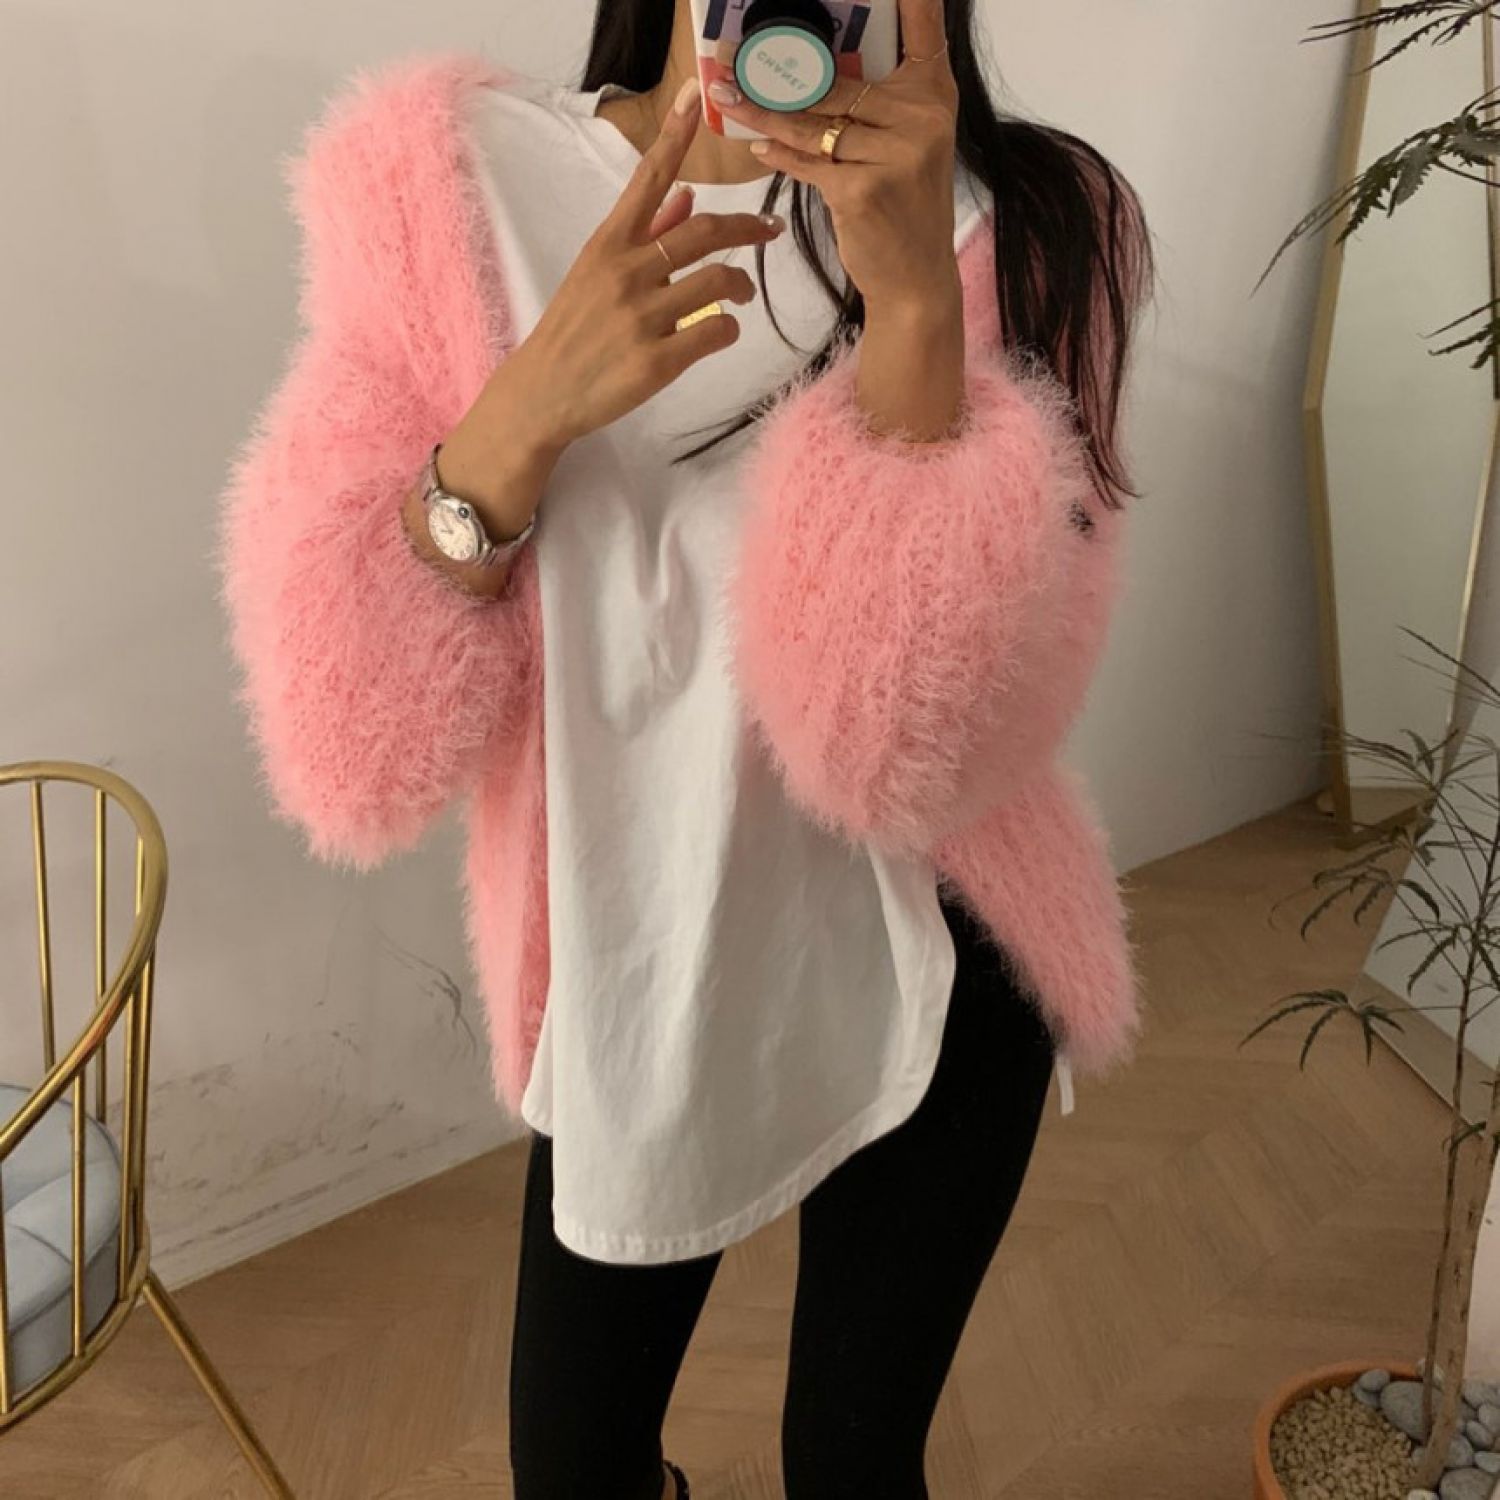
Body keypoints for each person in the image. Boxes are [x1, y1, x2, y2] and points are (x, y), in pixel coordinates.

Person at [215, 0, 1156, 1494]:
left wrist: (917, 312)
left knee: (854, 1462)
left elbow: (903, 757)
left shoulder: (1037, 222)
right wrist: (516, 420)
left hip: (936, 946)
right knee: (574, 1465)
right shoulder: (445, 181)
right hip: (632, 954)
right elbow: (345, 746)